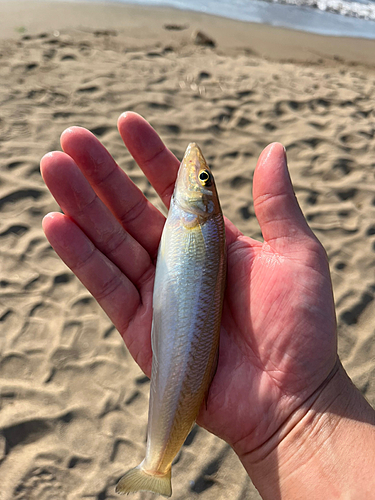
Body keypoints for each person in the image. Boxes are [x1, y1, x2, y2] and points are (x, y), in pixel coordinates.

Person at [40, 112, 375, 499]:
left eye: (204, 180)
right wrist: (304, 413)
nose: (198, 172)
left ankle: (156, 464)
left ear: (203, 198)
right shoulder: (197, 221)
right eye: (205, 179)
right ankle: (156, 462)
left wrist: (302, 406)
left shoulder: (199, 221)